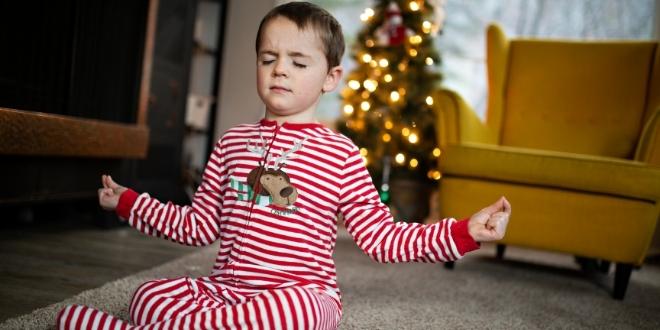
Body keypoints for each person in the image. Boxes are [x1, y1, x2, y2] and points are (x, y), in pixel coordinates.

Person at [57, 2, 511, 329]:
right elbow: (196, 227)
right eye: (268, 59)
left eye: (298, 62)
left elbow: (383, 239)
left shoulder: (341, 155)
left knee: (301, 315)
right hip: (227, 290)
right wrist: (129, 203)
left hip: (298, 296)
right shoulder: (232, 143)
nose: (280, 71)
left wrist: (465, 232)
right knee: (146, 296)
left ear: (331, 78)